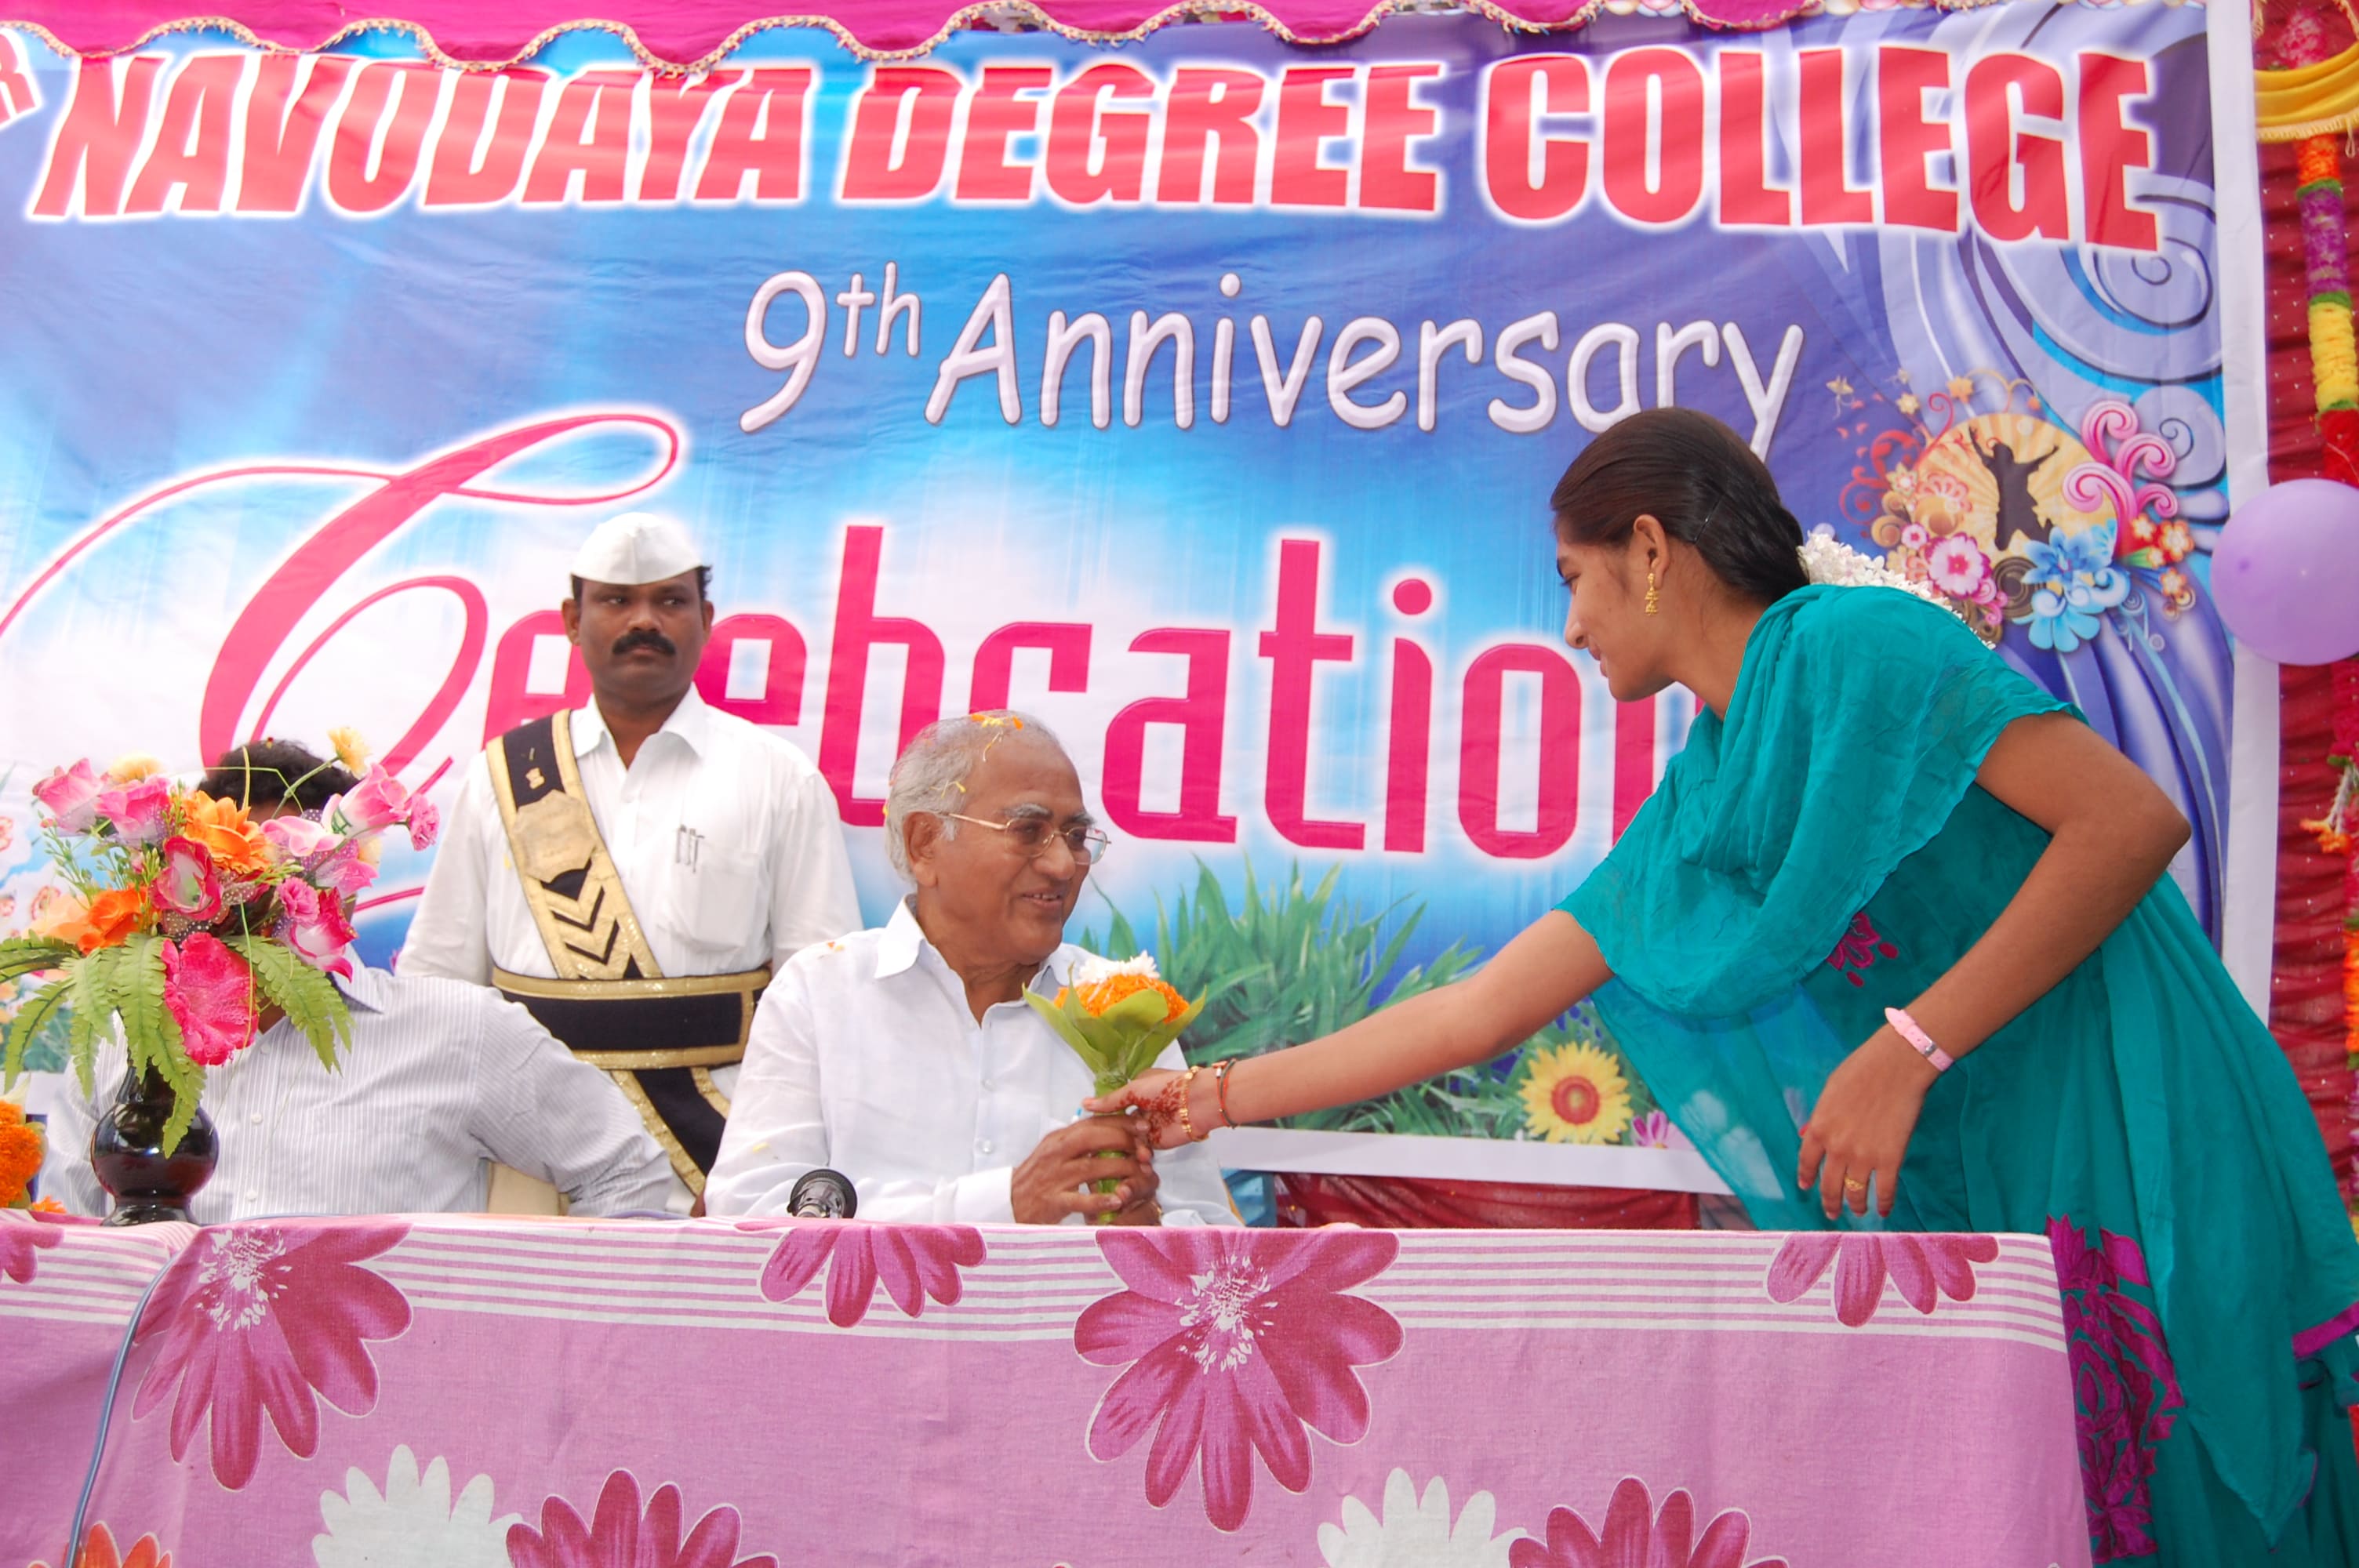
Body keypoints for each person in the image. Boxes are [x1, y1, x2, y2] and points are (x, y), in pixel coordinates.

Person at [1095, 408, 2359, 1565]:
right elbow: (1481, 1009)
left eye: (1574, 579)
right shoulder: (1710, 785)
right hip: (1995, 1162)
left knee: (2192, 1483)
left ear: (1649, 550)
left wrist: (1909, 1047)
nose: (1571, 627)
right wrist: (1210, 1096)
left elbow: (2129, 823)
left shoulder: (1858, 644)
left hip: (2128, 1110)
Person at [400, 512, 860, 1203]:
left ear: (706, 620)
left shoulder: (778, 778)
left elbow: (822, 996)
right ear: (572, 620)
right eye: (617, 600)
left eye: (670, 600)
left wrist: (763, 1166)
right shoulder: (503, 776)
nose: (644, 620)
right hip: (524, 1158)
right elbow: (438, 984)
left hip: (713, 1159)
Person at [42, 742, 682, 1222]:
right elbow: (69, 1253)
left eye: (293, 871)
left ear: (348, 888)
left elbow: (633, 1179)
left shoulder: (460, 1031)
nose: (261, 901)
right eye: (233, 874)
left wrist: (536, 1342)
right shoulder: (122, 1041)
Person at [707, 712, 1236, 1227]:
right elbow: (750, 1211)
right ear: (925, 843)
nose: (1062, 865)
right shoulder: (820, 991)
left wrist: (1143, 1225)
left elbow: (1210, 1232)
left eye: (1076, 837)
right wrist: (1006, 1202)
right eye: (1027, 831)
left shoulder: (1122, 1002)